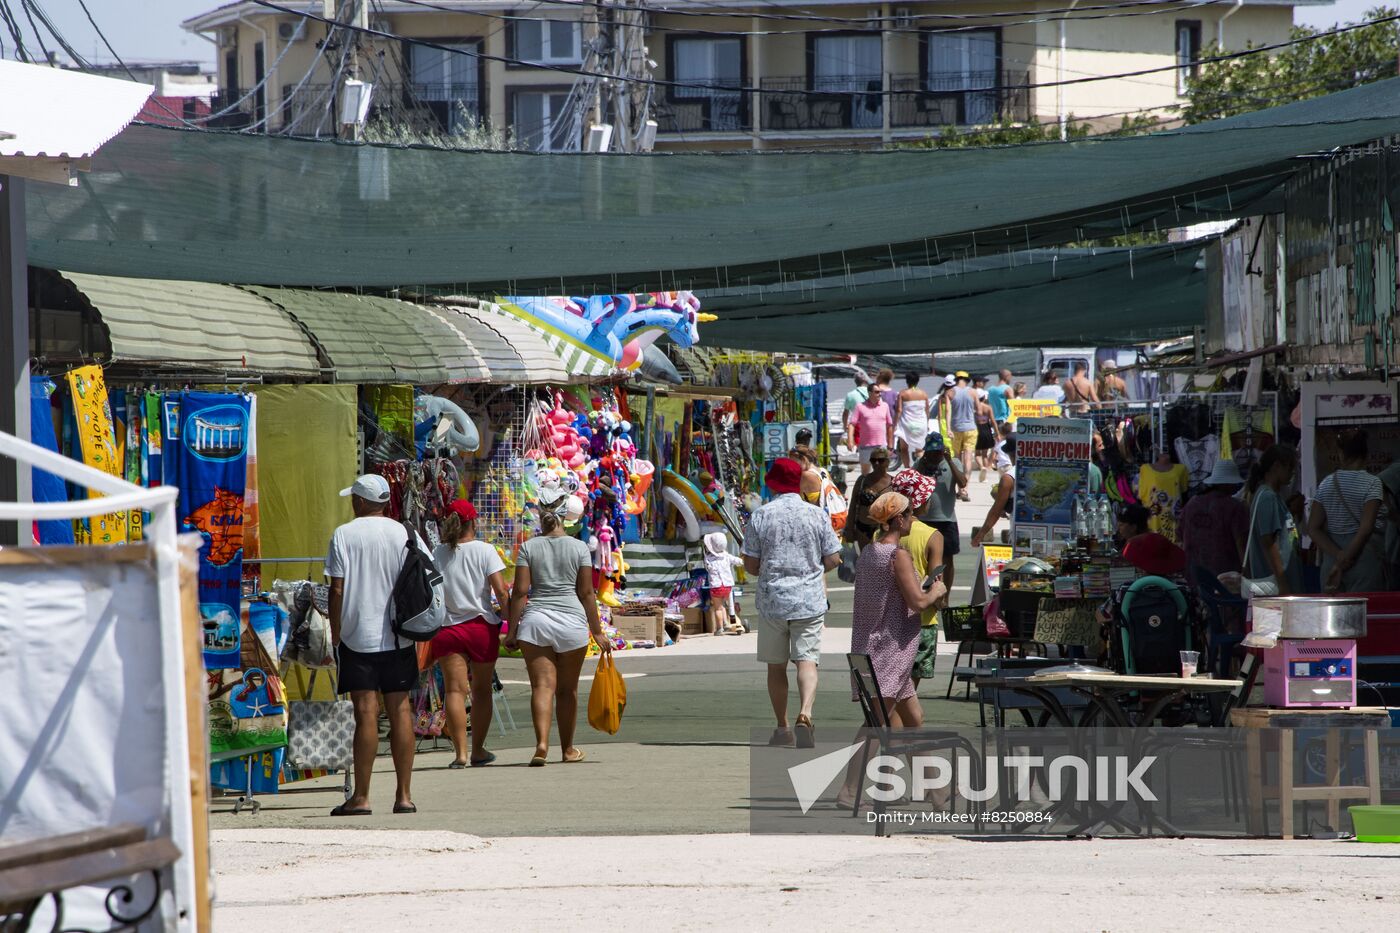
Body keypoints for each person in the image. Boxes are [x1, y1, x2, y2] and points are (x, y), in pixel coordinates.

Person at [326, 474, 424, 816]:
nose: (352, 502)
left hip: (357, 636)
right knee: (401, 711)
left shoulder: (344, 534)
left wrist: (335, 631)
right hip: (398, 635)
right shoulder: (404, 532)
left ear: (362, 501)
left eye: (354, 497)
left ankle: (362, 797)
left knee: (365, 712)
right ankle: (404, 796)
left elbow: (336, 589)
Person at [742, 458, 843, 749]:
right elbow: (833, 558)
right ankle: (806, 713)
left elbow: (750, 564)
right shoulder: (817, 515)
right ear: (798, 483)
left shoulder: (761, 516)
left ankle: (783, 726)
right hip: (809, 600)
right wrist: (811, 570)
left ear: (772, 484)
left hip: (773, 601)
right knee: (807, 662)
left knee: (776, 667)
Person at [506, 493, 612, 766]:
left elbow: (519, 593)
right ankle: (567, 749)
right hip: (571, 624)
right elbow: (587, 592)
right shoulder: (578, 548)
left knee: (541, 686)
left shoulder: (529, 547)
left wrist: (512, 631)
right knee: (568, 690)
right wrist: (597, 631)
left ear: (541, 515)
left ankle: (541, 744)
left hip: (536, 621)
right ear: (566, 516)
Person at [850, 491, 946, 723]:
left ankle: (924, 762)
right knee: (877, 723)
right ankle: (855, 762)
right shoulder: (897, 555)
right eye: (909, 513)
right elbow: (918, 602)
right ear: (899, 519)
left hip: (869, 644)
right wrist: (937, 591)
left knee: (914, 719)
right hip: (889, 650)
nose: (912, 518)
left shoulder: (869, 552)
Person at [430, 499, 510, 768]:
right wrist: (511, 622)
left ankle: (460, 754)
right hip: (480, 627)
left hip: (448, 629)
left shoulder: (437, 553)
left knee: (454, 691)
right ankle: (477, 750)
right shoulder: (485, 551)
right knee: (481, 691)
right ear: (472, 522)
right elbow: (501, 591)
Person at [1309, 430, 1386, 593]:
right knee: (1364, 615)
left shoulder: (1325, 484)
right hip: (1363, 561)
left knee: (1333, 616)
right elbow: (1366, 528)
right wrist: (1346, 557)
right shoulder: (1373, 483)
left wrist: (1338, 556)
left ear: (1341, 453)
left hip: (1331, 561)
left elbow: (1313, 528)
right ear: (1366, 454)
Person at [890, 470, 946, 689]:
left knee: (892, 687)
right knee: (908, 691)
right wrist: (940, 599)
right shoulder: (932, 535)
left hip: (892, 620)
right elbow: (935, 579)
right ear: (920, 502)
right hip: (922, 620)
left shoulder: (882, 534)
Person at [1244, 444, 1302, 595]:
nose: (1292, 473)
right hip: (1275, 588)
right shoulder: (1267, 497)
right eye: (1290, 468)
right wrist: (1282, 584)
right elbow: (1268, 543)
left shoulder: (1273, 497)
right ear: (1276, 466)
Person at [913, 433, 965, 596]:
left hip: (946, 519)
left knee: (947, 560)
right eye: (931, 452)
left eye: (938, 452)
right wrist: (922, 460)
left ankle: (945, 596)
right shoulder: (920, 464)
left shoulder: (953, 462)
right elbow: (913, 482)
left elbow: (962, 483)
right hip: (924, 519)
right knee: (924, 559)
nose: (935, 455)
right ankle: (926, 593)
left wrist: (949, 460)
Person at [1179, 460, 1249, 578]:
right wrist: (1247, 573)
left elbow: (1180, 535)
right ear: (1228, 484)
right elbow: (1241, 543)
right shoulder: (1235, 507)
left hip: (1193, 572)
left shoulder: (1192, 503)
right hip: (1225, 577)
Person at [1117, 503, 1187, 577]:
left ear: (1133, 527)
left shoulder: (1132, 546)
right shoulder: (1158, 538)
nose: (1119, 529)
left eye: (1121, 525)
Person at [844, 447, 894, 547]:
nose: (876, 463)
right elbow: (853, 505)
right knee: (864, 559)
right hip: (862, 529)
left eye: (880, 460)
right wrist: (849, 529)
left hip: (884, 530)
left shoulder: (893, 482)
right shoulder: (862, 480)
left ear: (887, 462)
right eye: (873, 460)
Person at [971, 438, 1016, 549]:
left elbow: (996, 511)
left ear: (1011, 454)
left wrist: (980, 534)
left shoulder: (1009, 478)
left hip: (1019, 534)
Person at [702, 531, 745, 635]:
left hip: (716, 586)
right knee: (725, 605)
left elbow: (708, 568)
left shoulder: (708, 558)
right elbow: (737, 561)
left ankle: (720, 628)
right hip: (727, 586)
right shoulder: (726, 556)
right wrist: (743, 560)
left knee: (718, 608)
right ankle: (727, 623)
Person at [946, 373, 978, 499]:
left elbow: (948, 411)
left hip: (956, 429)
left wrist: (948, 429)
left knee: (958, 459)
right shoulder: (973, 392)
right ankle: (965, 489)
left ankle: (960, 488)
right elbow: (979, 410)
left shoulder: (950, 392)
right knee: (968, 459)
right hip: (971, 428)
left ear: (956, 380)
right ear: (967, 380)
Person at [850, 390, 894, 477]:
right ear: (870, 393)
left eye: (880, 392)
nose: (879, 394)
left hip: (881, 446)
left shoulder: (884, 406)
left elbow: (889, 425)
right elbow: (852, 424)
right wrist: (850, 441)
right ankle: (864, 489)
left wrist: (890, 444)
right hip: (865, 445)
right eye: (877, 392)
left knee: (882, 472)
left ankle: (882, 490)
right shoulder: (860, 406)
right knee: (865, 473)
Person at [893, 372, 931, 469]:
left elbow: (899, 410)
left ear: (907, 381)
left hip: (907, 424)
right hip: (921, 424)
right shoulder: (923, 394)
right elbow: (927, 410)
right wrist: (927, 424)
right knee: (920, 450)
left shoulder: (902, 393)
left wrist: (895, 424)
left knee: (904, 449)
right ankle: (922, 470)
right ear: (918, 381)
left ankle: (907, 469)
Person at [841, 371, 870, 451]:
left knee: (861, 448)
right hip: (872, 423)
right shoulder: (873, 393)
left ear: (855, 381)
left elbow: (845, 413)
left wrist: (845, 425)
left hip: (858, 426)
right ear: (865, 380)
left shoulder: (850, 395)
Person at [974, 386, 997, 482]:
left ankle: (981, 467)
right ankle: (985, 476)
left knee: (977, 454)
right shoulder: (988, 408)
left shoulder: (974, 407)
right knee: (984, 454)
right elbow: (993, 421)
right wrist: (997, 432)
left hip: (976, 429)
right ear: (984, 397)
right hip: (986, 429)